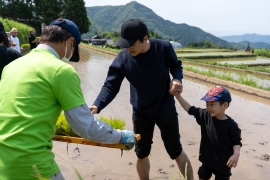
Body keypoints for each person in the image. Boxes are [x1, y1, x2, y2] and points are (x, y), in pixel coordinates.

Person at [0, 18, 135, 180]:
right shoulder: (61, 71)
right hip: (33, 166)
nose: (70, 57)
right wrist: (121, 136)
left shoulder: (12, 66)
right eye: (73, 49)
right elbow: (86, 127)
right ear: (70, 42)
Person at [90, 18, 194, 180]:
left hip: (165, 108)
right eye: (125, 44)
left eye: (132, 44)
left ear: (145, 39)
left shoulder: (163, 48)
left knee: (175, 150)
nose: (127, 48)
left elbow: (176, 65)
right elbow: (111, 85)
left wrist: (177, 79)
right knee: (141, 152)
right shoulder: (123, 58)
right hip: (141, 112)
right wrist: (97, 105)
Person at [175, 85, 242, 180]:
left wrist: (236, 154)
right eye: (207, 104)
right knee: (202, 175)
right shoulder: (205, 116)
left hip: (223, 163)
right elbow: (189, 109)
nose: (209, 108)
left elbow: (236, 142)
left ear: (225, 105)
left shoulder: (231, 125)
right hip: (207, 160)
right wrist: (178, 96)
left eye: (212, 104)